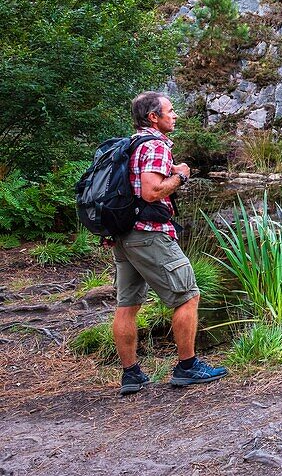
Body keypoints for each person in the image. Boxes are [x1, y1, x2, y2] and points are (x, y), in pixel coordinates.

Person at [112, 91, 227, 395]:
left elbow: (138, 184)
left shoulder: (132, 145)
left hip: (124, 235)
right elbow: (151, 192)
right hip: (149, 233)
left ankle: (132, 374)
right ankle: (187, 367)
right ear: (154, 117)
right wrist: (182, 177)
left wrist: (171, 172)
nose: (175, 115)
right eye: (170, 111)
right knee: (188, 296)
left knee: (128, 304)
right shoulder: (155, 145)